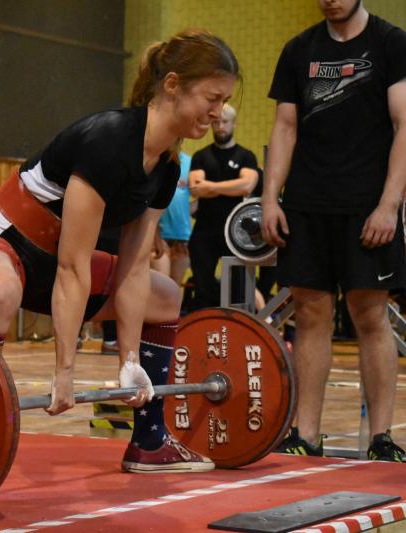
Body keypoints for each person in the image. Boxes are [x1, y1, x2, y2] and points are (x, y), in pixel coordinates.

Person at [0, 29, 239, 473]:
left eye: (225, 102)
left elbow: (134, 269)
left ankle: (150, 443)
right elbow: (72, 266)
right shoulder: (109, 139)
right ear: (173, 85)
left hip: (55, 264)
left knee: (165, 296)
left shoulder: (165, 170)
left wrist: (130, 362)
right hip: (4, 242)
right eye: (212, 98)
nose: (218, 113)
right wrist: (64, 370)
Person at [262, 0, 406, 461]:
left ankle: (381, 439)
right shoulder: (297, 49)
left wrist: (389, 205)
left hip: (367, 205)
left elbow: (404, 125)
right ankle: (306, 436)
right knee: (309, 315)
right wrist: (270, 197)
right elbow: (285, 127)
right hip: (307, 203)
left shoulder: (391, 43)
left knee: (370, 315)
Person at [188, 103, 259, 310]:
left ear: (233, 124)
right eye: (216, 122)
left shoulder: (246, 156)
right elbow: (196, 188)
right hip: (204, 230)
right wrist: (231, 187)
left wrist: (211, 186)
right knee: (203, 287)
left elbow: (247, 185)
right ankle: (205, 324)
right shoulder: (201, 156)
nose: (220, 127)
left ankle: (236, 325)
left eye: (225, 122)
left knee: (238, 290)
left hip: (236, 232)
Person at [156, 151, 194, 287]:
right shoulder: (157, 159)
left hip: (182, 236)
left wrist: (183, 212)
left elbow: (200, 197)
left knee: (175, 286)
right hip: (159, 236)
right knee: (160, 285)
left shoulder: (190, 162)